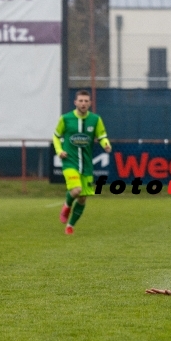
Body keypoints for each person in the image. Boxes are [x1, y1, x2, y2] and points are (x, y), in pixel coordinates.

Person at [53, 90, 111, 235]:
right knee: (76, 190)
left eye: (86, 101)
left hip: (86, 164)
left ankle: (70, 225)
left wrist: (106, 144)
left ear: (90, 103)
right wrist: (59, 151)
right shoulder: (65, 119)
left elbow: (102, 136)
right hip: (69, 161)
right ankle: (66, 205)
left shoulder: (95, 119)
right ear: (75, 102)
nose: (83, 103)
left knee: (82, 198)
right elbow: (56, 136)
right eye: (81, 101)